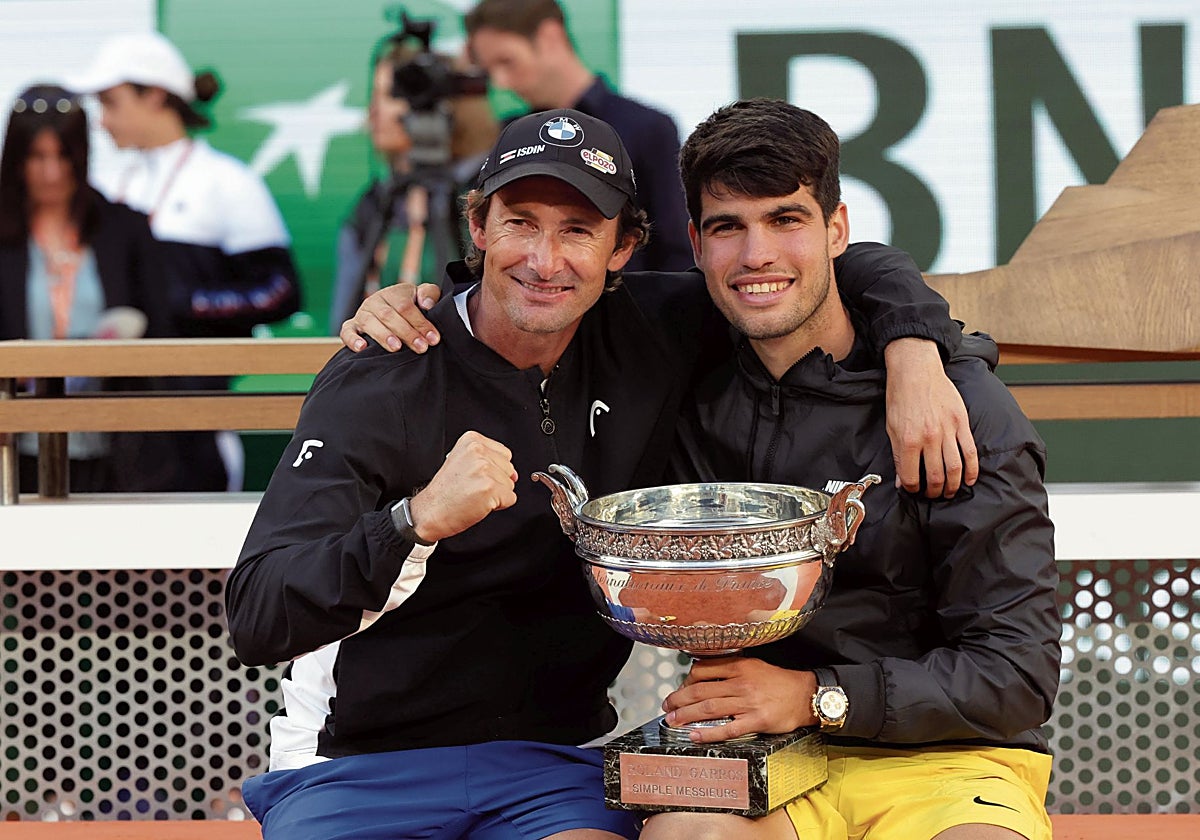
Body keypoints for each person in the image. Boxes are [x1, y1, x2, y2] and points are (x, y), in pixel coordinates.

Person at [228, 108, 970, 840]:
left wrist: (912, 347)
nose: (545, 261)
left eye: (578, 230)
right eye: (520, 223)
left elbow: (826, 268)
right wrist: (413, 522)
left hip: (553, 764)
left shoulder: (657, 326)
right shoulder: (387, 369)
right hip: (356, 765)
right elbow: (259, 614)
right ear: (478, 228)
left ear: (625, 248)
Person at [637, 100, 1060, 840]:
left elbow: (1016, 677)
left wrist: (815, 695)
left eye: (785, 220)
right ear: (697, 243)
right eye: (727, 227)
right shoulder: (680, 365)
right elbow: (532, 299)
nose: (755, 254)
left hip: (947, 763)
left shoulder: (959, 411)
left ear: (836, 229)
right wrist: (401, 309)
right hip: (761, 758)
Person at [67, 30, 303, 491]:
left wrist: (180, 302)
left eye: (110, 103)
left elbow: (281, 291)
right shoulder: (110, 190)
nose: (101, 121)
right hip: (108, 421)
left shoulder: (227, 182)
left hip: (196, 422)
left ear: (155, 96)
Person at [0, 83, 172, 492]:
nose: (52, 172)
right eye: (37, 157)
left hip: (116, 452)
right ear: (15, 159)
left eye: (64, 156)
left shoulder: (124, 230)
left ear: (83, 155)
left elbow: (163, 337)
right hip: (13, 453)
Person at [464, 0, 693, 274]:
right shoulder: (507, 134)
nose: (500, 82)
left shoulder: (647, 126)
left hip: (629, 308)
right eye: (490, 71)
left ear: (549, 37)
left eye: (507, 61)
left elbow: (675, 249)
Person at [328, 39, 498, 332]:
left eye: (392, 94)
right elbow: (342, 323)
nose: (373, 111)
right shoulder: (374, 204)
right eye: (375, 95)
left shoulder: (481, 193)